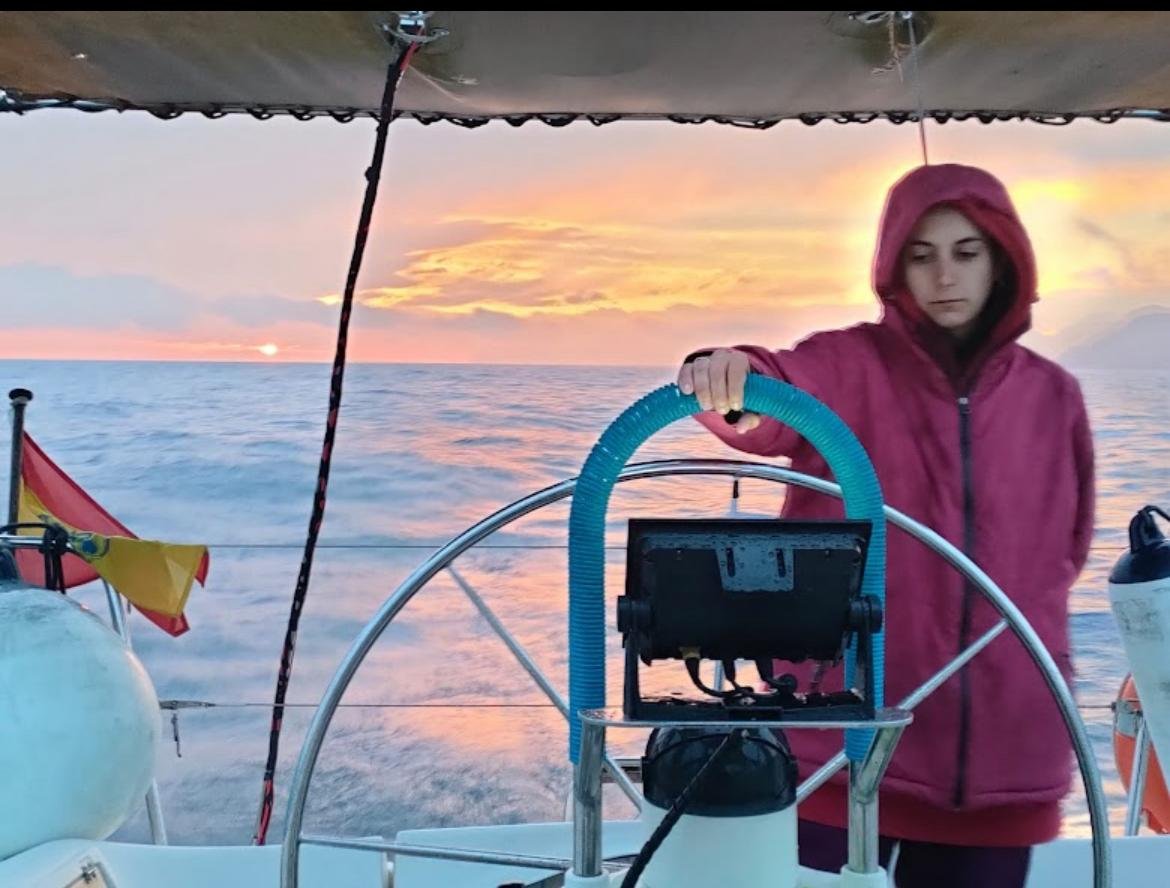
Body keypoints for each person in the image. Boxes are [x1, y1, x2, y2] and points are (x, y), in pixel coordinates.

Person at [677, 163, 1096, 887]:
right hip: (839, 751)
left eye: (966, 252)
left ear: (1001, 259)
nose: (945, 276)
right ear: (894, 267)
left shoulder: (1055, 397)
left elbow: (1069, 550)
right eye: (921, 255)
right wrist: (727, 374)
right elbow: (770, 398)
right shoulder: (845, 366)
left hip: (1005, 762)